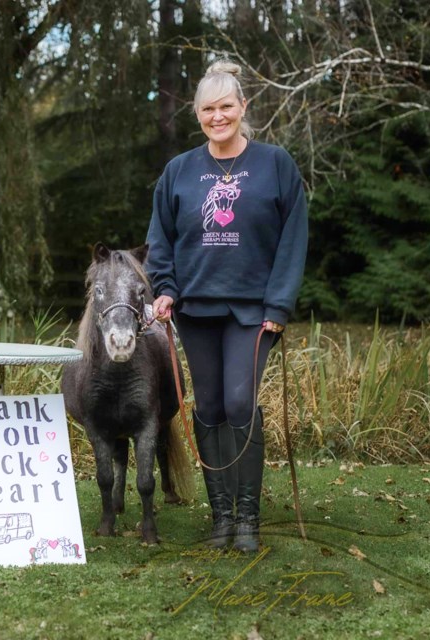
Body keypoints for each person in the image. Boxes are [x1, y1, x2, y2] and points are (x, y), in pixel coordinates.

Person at [145, 60, 308, 553]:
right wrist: (165, 287)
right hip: (196, 308)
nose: (218, 117)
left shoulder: (276, 164)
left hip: (254, 312)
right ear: (198, 114)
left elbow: (293, 239)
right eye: (208, 109)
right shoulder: (179, 171)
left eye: (226, 107)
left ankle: (248, 519)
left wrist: (279, 304)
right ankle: (220, 518)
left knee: (239, 403)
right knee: (211, 406)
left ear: (243, 108)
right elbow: (161, 238)